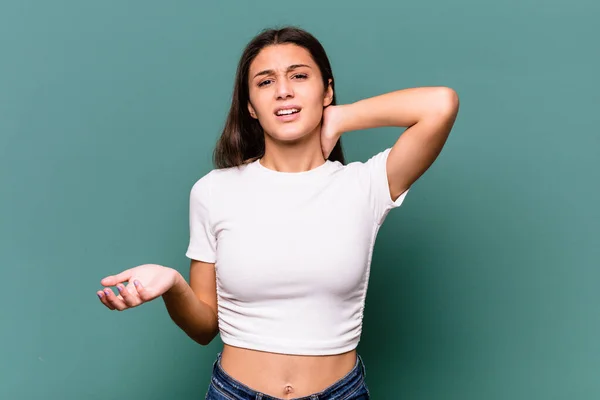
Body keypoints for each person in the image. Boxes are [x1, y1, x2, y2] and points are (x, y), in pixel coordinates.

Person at [96, 26, 459, 400]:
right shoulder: (213, 191)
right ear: (250, 105)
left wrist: (341, 117)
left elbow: (440, 104)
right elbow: (205, 326)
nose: (283, 90)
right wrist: (173, 284)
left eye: (299, 76)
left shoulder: (364, 184)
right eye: (265, 82)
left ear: (327, 91)